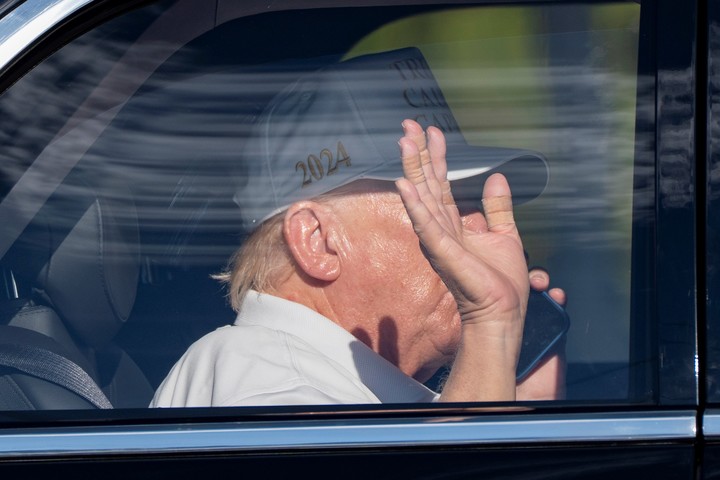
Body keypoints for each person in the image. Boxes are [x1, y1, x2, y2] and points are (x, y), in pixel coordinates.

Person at [151, 48, 566, 407]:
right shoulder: (271, 389)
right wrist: (491, 324)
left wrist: (511, 399)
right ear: (318, 242)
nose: (477, 225)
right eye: (436, 203)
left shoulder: (321, 387)